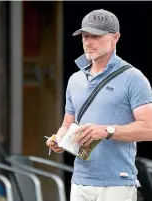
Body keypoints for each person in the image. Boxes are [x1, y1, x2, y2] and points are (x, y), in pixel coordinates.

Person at [46, 9, 152, 201]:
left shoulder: (133, 78)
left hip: (117, 184)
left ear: (115, 38)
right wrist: (59, 139)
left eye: (96, 36)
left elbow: (149, 129)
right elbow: (67, 125)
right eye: (85, 36)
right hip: (79, 182)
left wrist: (107, 131)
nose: (88, 42)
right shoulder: (75, 80)